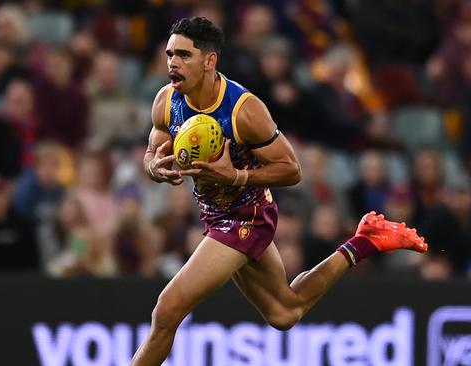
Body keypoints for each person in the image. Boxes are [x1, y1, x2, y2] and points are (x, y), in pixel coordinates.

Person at [133, 17, 429, 365]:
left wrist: (236, 177)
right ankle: (364, 240)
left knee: (167, 310)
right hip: (216, 213)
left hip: (246, 216)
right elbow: (153, 152)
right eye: (169, 54)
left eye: (183, 54)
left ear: (210, 61)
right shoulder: (166, 101)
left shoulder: (244, 110)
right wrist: (152, 166)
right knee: (285, 312)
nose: (172, 63)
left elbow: (292, 169)